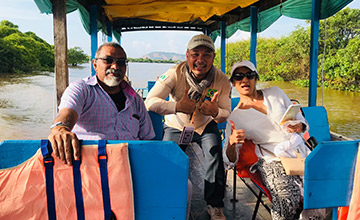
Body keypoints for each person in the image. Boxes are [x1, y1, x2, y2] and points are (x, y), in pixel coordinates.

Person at [223, 60, 325, 220]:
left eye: (249, 75)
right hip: (272, 159)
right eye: (238, 76)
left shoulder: (275, 92)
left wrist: (298, 125)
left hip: (300, 153)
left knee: (321, 194)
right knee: (285, 201)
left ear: (255, 78)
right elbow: (229, 161)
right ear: (233, 82)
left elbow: (303, 124)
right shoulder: (235, 117)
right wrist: (231, 142)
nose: (244, 79)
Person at [145, 34, 231, 220]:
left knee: (215, 154)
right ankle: (169, 199)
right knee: (169, 160)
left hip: (204, 125)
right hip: (176, 125)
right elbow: (150, 102)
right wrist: (176, 107)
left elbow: (226, 111)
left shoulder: (222, 80)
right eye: (195, 54)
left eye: (206, 55)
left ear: (213, 58)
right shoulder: (173, 74)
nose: (200, 60)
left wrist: (216, 112)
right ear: (187, 55)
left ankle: (215, 205)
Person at [48, 42, 155, 165]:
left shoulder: (135, 99)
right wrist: (60, 128)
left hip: (129, 166)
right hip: (89, 166)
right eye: (108, 60)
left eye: (121, 62)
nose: (115, 66)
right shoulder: (81, 89)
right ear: (95, 64)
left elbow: (148, 140)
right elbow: (67, 112)